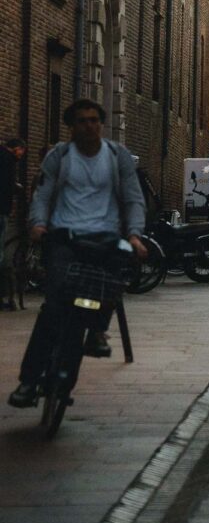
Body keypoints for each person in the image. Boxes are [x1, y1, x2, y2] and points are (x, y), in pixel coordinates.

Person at [8, 99, 147, 408]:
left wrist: (135, 235)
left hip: (105, 239)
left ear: (102, 123)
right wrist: (38, 224)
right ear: (72, 126)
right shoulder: (60, 157)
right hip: (65, 239)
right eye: (83, 121)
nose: (90, 126)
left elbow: (133, 198)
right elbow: (42, 194)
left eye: (95, 120)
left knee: (106, 290)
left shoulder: (116, 157)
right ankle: (29, 382)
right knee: (54, 307)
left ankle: (97, 328)